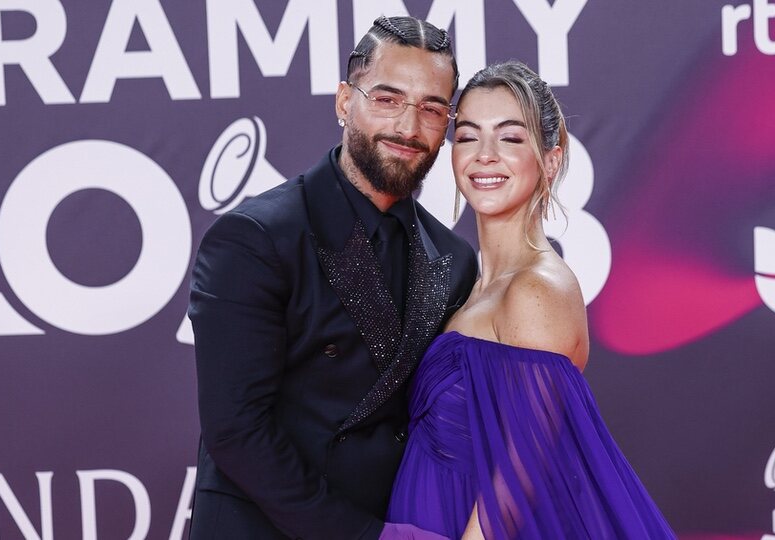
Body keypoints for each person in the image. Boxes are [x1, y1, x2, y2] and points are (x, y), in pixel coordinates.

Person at [188, 16, 478, 540]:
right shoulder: (254, 239)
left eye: (432, 109)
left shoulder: (456, 259)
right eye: (387, 99)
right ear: (345, 101)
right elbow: (236, 431)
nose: (409, 129)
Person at [385, 61, 677, 539]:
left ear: (552, 159)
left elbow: (518, 483)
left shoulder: (538, 291)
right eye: (470, 135)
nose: (485, 155)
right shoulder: (468, 283)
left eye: (510, 138)